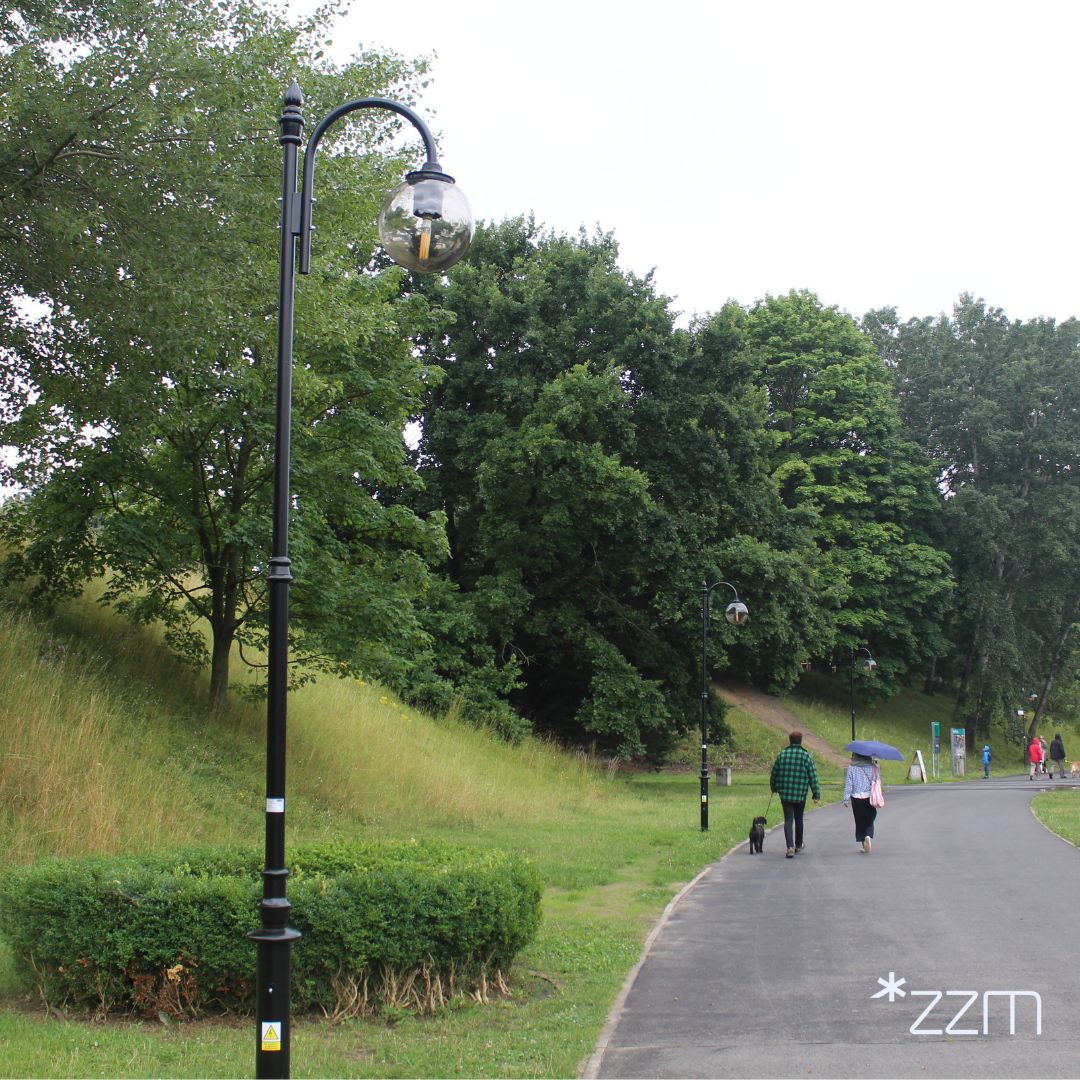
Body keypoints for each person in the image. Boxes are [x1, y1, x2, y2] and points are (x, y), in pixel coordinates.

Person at [769, 731, 821, 858]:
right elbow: (813, 776)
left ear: (790, 740)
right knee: (799, 819)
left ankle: (789, 847)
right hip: (800, 794)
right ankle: (798, 844)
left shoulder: (782, 755)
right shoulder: (806, 756)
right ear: (801, 741)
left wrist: (774, 787)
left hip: (785, 794)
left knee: (788, 819)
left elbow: (774, 773)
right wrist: (816, 793)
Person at [843, 752, 878, 853]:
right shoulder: (873, 767)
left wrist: (846, 798)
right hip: (869, 797)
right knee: (870, 817)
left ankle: (863, 843)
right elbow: (876, 781)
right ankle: (868, 835)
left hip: (856, 798)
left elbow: (849, 784)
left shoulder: (852, 767)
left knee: (859, 821)